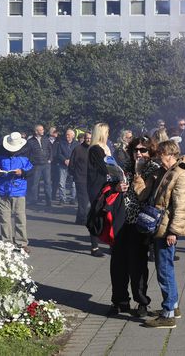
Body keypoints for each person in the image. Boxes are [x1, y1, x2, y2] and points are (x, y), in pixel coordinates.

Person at [108, 135, 162, 318]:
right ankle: (120, 300)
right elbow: (109, 186)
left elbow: (143, 195)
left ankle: (141, 302)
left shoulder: (153, 170)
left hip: (140, 223)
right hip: (121, 221)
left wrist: (139, 173)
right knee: (118, 264)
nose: (138, 153)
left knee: (138, 266)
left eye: (143, 150)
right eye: (135, 150)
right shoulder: (125, 168)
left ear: (150, 152)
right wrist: (116, 187)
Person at [144, 140, 185, 329]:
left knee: (164, 270)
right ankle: (173, 306)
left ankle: (168, 315)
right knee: (166, 268)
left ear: (170, 154)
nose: (159, 160)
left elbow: (180, 206)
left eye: (161, 157)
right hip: (162, 225)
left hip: (166, 229)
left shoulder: (179, 174)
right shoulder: (168, 171)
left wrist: (173, 231)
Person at [0, 132, 33, 253]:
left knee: (20, 217)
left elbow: (31, 169)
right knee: (4, 218)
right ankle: (7, 243)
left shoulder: (26, 152)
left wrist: (22, 172)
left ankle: (22, 243)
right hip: (2, 189)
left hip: (19, 190)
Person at [87, 123, 114, 258]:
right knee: (97, 214)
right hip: (97, 186)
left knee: (108, 215)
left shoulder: (106, 147)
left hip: (107, 184)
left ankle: (110, 243)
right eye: (107, 132)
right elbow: (104, 167)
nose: (108, 134)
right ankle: (94, 246)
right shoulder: (95, 149)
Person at [26, 124, 53, 207]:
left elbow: (50, 150)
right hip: (36, 165)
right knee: (35, 183)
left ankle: (49, 201)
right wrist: (32, 162)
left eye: (43, 129)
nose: (43, 131)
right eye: (41, 130)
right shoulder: (30, 141)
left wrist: (50, 159)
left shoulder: (46, 139)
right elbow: (28, 153)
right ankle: (34, 200)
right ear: (36, 131)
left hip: (46, 165)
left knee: (47, 183)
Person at [70, 131, 92, 225]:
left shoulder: (94, 149)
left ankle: (79, 219)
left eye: (90, 138)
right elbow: (71, 164)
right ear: (84, 138)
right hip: (80, 179)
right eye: (87, 138)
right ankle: (83, 219)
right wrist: (75, 175)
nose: (88, 140)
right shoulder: (78, 149)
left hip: (91, 179)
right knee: (83, 200)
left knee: (86, 200)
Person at [56, 128, 79, 205]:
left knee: (73, 184)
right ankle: (62, 198)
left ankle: (72, 198)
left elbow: (78, 154)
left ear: (73, 135)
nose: (67, 136)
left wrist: (71, 161)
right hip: (63, 165)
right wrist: (65, 160)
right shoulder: (61, 143)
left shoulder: (77, 144)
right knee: (61, 183)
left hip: (73, 166)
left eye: (69, 134)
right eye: (66, 134)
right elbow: (58, 154)